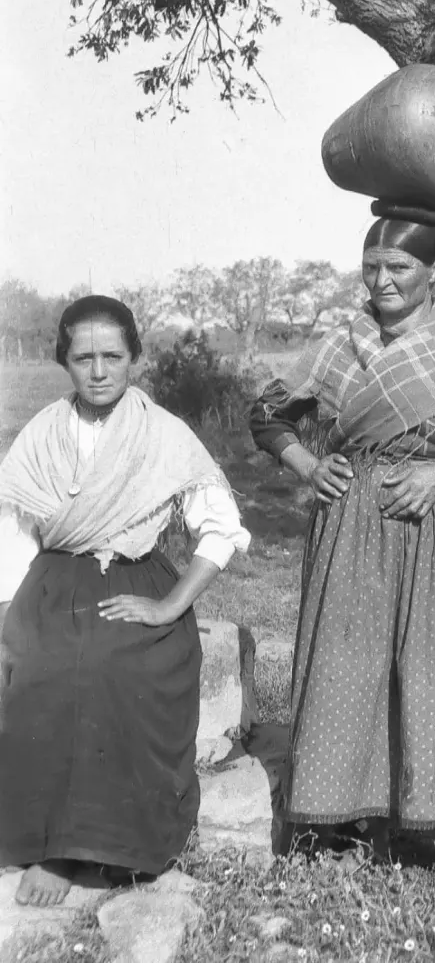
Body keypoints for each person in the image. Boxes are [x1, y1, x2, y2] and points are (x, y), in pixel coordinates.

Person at [250, 218, 435, 887]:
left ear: (434, 273)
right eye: (371, 266)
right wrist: (308, 466)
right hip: (352, 525)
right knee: (350, 664)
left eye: (398, 268)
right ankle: (346, 819)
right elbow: (268, 415)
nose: (382, 281)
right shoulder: (341, 346)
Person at [0, 295, 250, 907]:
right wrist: (7, 616)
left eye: (113, 355)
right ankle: (54, 848)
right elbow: (15, 534)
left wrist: (169, 608)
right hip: (53, 582)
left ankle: (117, 843)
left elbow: (219, 526)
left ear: (135, 357)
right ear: (64, 362)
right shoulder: (43, 433)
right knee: (44, 667)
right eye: (83, 357)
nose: (99, 370)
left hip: (137, 581)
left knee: (117, 665)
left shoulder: (165, 434)